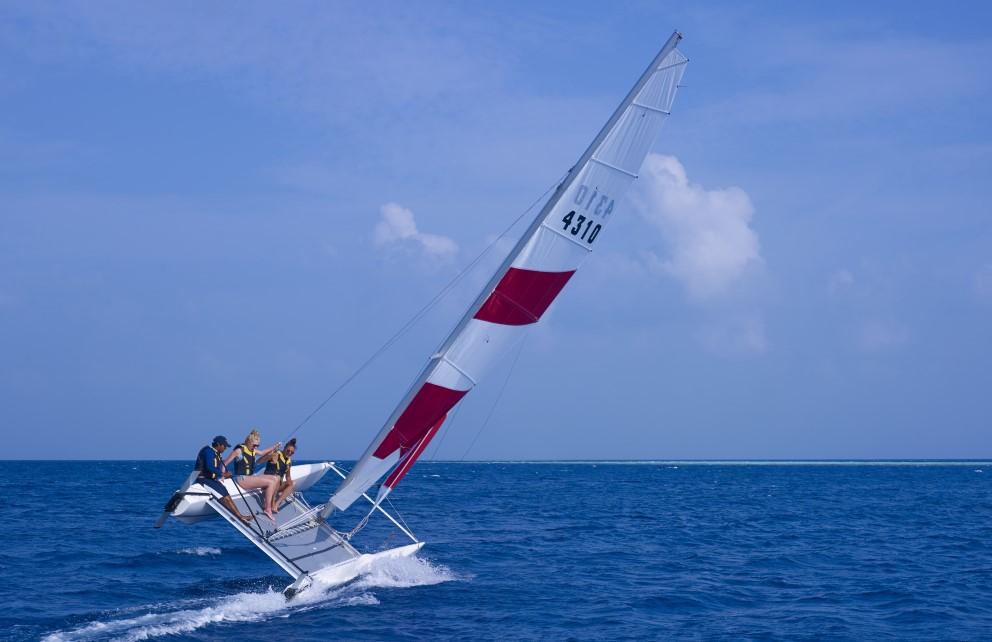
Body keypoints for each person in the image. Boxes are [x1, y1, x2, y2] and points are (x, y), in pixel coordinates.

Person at [195, 436, 253, 524]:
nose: (225, 448)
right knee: (224, 498)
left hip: (212, 479)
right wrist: (223, 474)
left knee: (227, 494)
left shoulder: (216, 453)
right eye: (224, 446)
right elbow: (209, 466)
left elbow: (218, 466)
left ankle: (240, 515)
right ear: (218, 445)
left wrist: (224, 473)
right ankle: (238, 517)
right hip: (203, 480)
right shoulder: (208, 452)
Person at [224, 429, 280, 520]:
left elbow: (262, 452)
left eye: (257, 446)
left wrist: (275, 447)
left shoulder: (253, 451)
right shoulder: (239, 451)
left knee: (276, 479)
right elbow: (225, 463)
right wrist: (222, 475)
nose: (256, 447)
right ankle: (267, 508)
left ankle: (267, 501)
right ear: (248, 442)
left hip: (250, 477)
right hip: (241, 479)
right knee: (271, 482)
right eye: (254, 445)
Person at [264, 438, 297, 513]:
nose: (289, 453)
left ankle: (276, 504)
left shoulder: (288, 462)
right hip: (267, 483)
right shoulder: (276, 455)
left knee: (292, 483)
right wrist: (272, 453)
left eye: (292, 452)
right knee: (277, 478)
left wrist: (289, 488)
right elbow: (263, 459)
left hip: (277, 486)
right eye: (288, 450)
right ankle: (271, 504)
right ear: (284, 448)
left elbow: (288, 477)